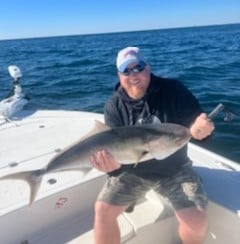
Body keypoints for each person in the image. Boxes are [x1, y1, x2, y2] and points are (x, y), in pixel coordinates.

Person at [90, 46, 214, 244]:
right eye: (126, 70)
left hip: (175, 168)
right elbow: (113, 153)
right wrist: (112, 170)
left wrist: (202, 129)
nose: (133, 75)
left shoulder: (173, 90)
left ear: (148, 68)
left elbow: (196, 126)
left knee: (196, 222)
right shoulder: (113, 107)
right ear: (119, 75)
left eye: (137, 67)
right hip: (133, 171)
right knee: (102, 211)